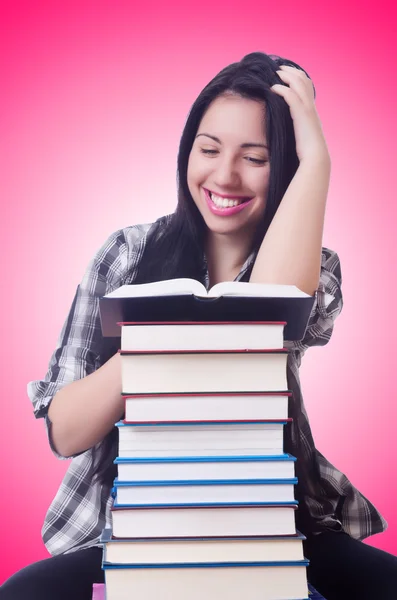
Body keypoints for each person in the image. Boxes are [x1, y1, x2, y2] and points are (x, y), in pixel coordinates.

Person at [1, 51, 396, 600]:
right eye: (208, 149)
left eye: (255, 157)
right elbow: (65, 432)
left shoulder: (311, 263)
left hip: (274, 526)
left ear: (285, 167)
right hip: (133, 530)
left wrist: (318, 164)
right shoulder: (127, 252)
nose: (224, 176)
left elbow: (270, 310)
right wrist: (159, 341)